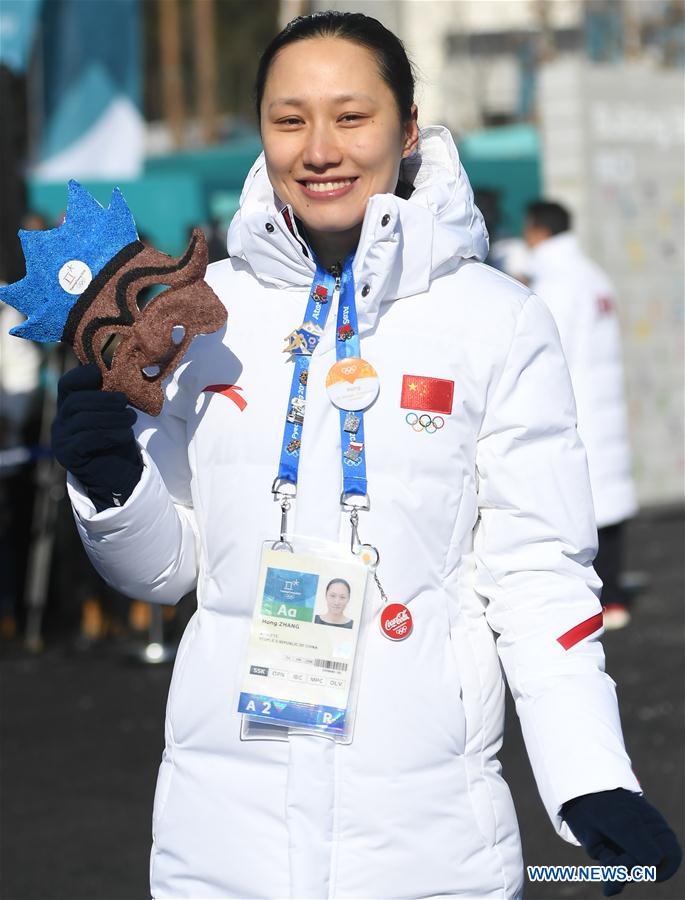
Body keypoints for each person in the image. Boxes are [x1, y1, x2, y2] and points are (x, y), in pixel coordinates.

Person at [50, 12, 680, 899]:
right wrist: (111, 485)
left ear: (407, 127)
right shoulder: (202, 314)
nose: (319, 150)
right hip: (221, 847)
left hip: (431, 846)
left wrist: (590, 776)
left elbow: (537, 572)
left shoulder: (494, 319)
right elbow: (168, 569)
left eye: (351, 116)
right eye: (289, 119)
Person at [524, 201, 638, 630]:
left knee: (581, 503)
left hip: (578, 407)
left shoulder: (556, 283)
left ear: (537, 231)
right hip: (603, 404)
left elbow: (548, 351)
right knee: (608, 499)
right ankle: (615, 597)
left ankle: (597, 600)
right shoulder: (593, 275)